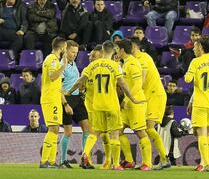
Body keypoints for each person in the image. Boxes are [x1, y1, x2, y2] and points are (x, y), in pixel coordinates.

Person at [66, 41, 142, 170]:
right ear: (113, 51)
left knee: (94, 133)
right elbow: (123, 84)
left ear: (102, 49)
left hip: (97, 105)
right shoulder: (115, 65)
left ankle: (85, 153)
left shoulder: (92, 65)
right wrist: (132, 98)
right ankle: (116, 164)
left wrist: (68, 92)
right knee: (114, 134)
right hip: (111, 104)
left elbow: (80, 81)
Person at [129, 37, 170, 170]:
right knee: (143, 128)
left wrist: (130, 96)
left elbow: (142, 79)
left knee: (148, 127)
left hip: (155, 95)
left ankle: (164, 158)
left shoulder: (144, 58)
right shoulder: (133, 60)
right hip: (146, 96)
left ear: (134, 47)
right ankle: (148, 161)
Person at [114, 39, 152, 171]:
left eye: (117, 49)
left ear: (123, 50)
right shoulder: (124, 63)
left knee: (140, 131)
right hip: (127, 104)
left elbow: (137, 84)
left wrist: (128, 99)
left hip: (136, 103)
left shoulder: (133, 63)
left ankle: (147, 163)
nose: (116, 52)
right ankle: (129, 160)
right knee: (117, 131)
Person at [184, 36, 209, 172]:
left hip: (200, 103)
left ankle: (204, 164)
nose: (193, 48)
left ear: (201, 47)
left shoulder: (196, 62)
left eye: (195, 46)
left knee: (201, 134)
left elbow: (187, 80)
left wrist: (188, 73)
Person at [39, 37, 72, 168]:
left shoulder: (55, 60)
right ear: (61, 47)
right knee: (53, 128)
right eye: (65, 47)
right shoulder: (52, 59)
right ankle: (44, 161)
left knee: (56, 129)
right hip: (50, 99)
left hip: (55, 98)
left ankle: (52, 161)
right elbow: (53, 77)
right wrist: (63, 65)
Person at [59, 40, 91, 168]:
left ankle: (85, 159)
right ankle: (62, 160)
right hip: (67, 100)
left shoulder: (73, 63)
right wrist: (65, 104)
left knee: (87, 129)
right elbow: (58, 87)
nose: (75, 54)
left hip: (78, 99)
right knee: (68, 132)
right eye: (72, 52)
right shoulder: (61, 65)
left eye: (76, 52)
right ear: (65, 50)